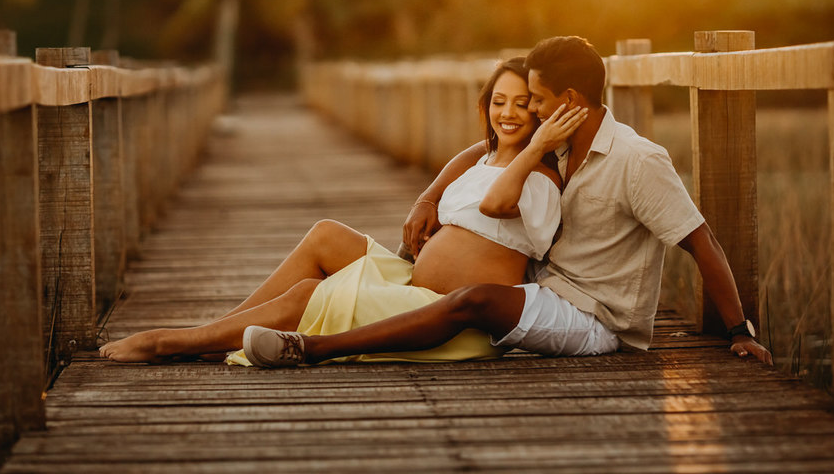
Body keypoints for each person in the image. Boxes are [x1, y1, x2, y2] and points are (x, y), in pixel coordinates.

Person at [241, 36, 774, 368]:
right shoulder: (561, 141)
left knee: (476, 300)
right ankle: (242, 331)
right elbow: (491, 145)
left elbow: (700, 242)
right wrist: (430, 194)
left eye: (535, 99)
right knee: (471, 291)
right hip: (546, 286)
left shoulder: (638, 161)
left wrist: (736, 331)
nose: (528, 111)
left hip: (597, 318)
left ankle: (312, 349)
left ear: (568, 102)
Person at [99, 57, 578, 365]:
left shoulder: (538, 176)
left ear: (542, 115)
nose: (508, 113)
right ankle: (214, 333)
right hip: (412, 286)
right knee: (326, 234)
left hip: (445, 319)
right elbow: (477, 154)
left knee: (311, 291)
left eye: (523, 105)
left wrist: (538, 147)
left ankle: (176, 343)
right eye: (498, 102)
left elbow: (497, 199)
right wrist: (426, 199)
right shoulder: (489, 156)